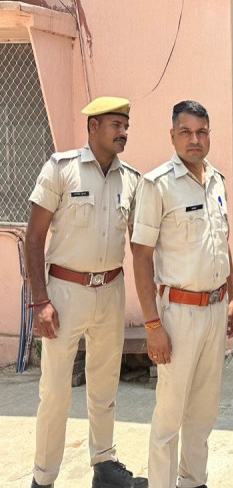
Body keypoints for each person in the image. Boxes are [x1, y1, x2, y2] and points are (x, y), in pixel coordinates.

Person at [25, 97, 147, 488]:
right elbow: (33, 237)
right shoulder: (61, 169)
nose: (123, 132)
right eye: (116, 125)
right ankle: (43, 478)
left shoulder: (131, 179)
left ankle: (104, 466)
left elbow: (141, 245)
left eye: (126, 126)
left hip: (110, 290)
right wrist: (40, 301)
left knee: (104, 384)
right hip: (65, 293)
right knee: (55, 391)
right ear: (93, 126)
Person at [131, 100, 233, 488]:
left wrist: (232, 297)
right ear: (172, 135)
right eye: (186, 132)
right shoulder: (157, 184)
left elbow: (222, 243)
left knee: (203, 412)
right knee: (169, 415)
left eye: (202, 132)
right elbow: (141, 256)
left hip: (214, 311)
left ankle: (193, 481)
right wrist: (152, 325)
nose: (195, 139)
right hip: (177, 314)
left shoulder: (216, 180)